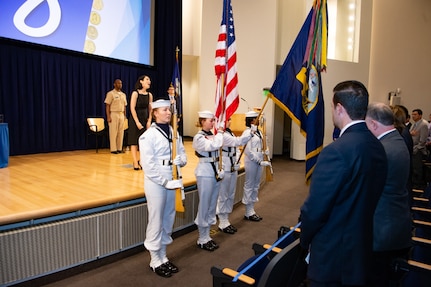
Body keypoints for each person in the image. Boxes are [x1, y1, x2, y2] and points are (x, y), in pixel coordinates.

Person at [300, 80, 388, 287]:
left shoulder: (335, 151)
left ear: (339, 108)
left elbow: (315, 210)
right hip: (361, 250)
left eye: (331, 107)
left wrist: (304, 241)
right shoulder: (377, 146)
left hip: (332, 257)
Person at [365, 102, 412, 286]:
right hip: (396, 225)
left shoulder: (383, 150)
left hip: (383, 233)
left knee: (376, 279)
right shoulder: (397, 140)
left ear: (374, 124)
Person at [139, 99, 187, 278]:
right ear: (155, 113)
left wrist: (181, 160)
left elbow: (182, 152)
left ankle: (163, 256)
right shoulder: (148, 136)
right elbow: (148, 165)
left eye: (169, 110)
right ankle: (154, 259)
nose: (169, 113)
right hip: (157, 182)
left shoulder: (173, 131)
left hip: (172, 177)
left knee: (168, 218)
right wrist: (165, 182)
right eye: (165, 110)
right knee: (156, 219)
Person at [216, 117, 254, 234]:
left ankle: (226, 219)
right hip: (225, 166)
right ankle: (222, 220)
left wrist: (237, 160)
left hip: (233, 165)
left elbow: (236, 149)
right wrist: (250, 134)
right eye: (227, 120)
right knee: (224, 194)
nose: (230, 122)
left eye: (230, 119)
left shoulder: (229, 132)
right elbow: (237, 142)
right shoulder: (222, 135)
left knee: (231, 194)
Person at [193, 111, 224, 251]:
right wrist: (221, 133)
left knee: (212, 204)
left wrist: (220, 169)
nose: (213, 122)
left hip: (214, 171)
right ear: (202, 121)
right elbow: (213, 146)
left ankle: (207, 236)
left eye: (213, 120)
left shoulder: (212, 135)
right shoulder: (198, 137)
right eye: (210, 120)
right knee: (205, 205)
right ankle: (202, 237)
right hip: (205, 172)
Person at [241, 111, 271, 222]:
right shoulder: (247, 133)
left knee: (256, 185)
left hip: (259, 158)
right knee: (249, 185)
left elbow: (261, 145)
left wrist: (265, 152)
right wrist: (259, 161)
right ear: (252, 120)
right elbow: (248, 151)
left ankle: (252, 209)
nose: (259, 120)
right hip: (251, 160)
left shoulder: (258, 132)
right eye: (257, 118)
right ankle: (248, 211)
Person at [128, 75, 153, 170]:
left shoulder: (149, 95)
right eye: (147, 79)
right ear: (141, 81)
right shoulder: (135, 93)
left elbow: (150, 109)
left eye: (149, 79)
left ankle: (142, 161)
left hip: (145, 118)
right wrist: (137, 122)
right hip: (135, 119)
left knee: (144, 142)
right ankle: (135, 162)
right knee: (134, 141)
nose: (149, 81)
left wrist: (149, 120)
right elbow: (132, 108)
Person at [104, 79, 127, 154]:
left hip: (121, 114)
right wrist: (108, 116)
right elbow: (107, 105)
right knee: (113, 132)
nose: (119, 84)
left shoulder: (123, 94)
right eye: (118, 83)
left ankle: (119, 148)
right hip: (113, 113)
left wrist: (125, 116)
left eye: (121, 83)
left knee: (121, 132)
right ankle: (113, 149)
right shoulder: (111, 93)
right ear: (114, 84)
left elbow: (124, 106)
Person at [410, 108, 428, 188]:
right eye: (412, 114)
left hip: (418, 150)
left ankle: (418, 185)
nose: (413, 116)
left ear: (420, 115)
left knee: (417, 169)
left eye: (415, 114)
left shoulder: (423, 124)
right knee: (413, 168)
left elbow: (423, 140)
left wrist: (416, 148)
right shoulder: (414, 124)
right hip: (412, 148)